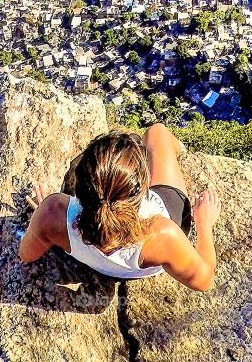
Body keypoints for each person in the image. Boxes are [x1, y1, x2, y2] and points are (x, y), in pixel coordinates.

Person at [18, 123, 220, 291]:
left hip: (97, 266)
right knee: (156, 133)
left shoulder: (53, 212)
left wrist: (44, 216)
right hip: (147, 255)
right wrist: (204, 224)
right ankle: (185, 152)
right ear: (143, 188)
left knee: (153, 136)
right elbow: (205, 281)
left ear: (78, 185)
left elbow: (25, 256)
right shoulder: (162, 234)